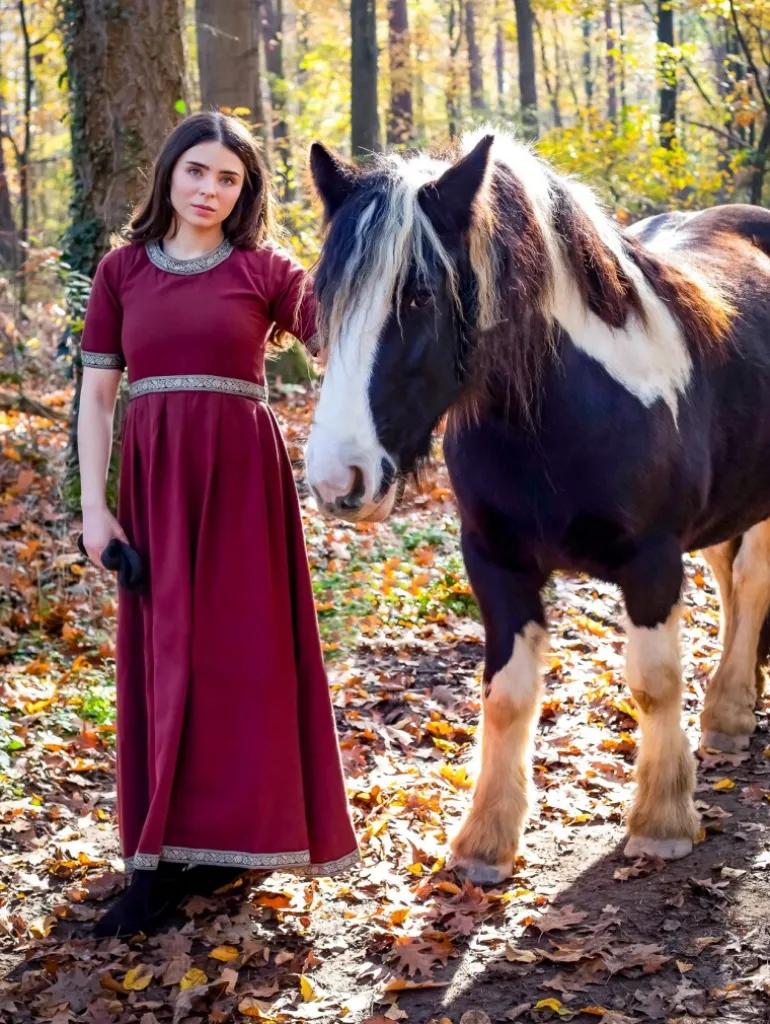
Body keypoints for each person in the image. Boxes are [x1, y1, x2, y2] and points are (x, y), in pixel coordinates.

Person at [78, 111, 358, 938]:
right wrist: (98, 510)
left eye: (228, 178)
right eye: (197, 170)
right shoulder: (121, 271)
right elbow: (97, 399)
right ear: (170, 172)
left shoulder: (267, 270)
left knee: (242, 658)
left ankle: (230, 844)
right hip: (156, 488)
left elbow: (352, 339)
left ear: (246, 192)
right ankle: (156, 857)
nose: (209, 189)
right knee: (164, 660)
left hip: (243, 485)